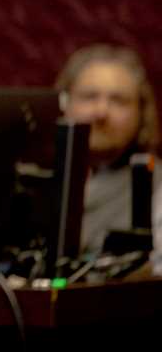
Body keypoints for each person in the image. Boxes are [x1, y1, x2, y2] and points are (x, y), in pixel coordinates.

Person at [56, 43, 162, 274]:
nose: (101, 111)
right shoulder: (34, 182)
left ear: (141, 113)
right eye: (89, 96)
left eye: (118, 100)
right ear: (64, 102)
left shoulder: (157, 187)